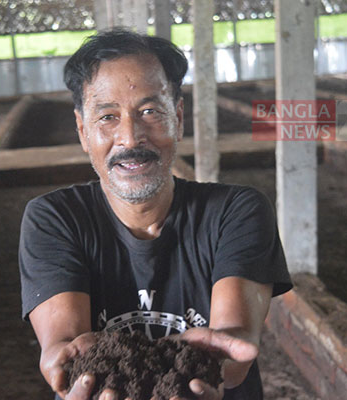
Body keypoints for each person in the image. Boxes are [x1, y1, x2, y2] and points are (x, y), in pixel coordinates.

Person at [19, 28, 292, 400]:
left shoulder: (236, 212)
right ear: (83, 131)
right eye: (108, 117)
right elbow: (65, 344)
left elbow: (233, 337)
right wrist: (62, 358)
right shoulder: (55, 219)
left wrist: (220, 356)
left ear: (178, 118)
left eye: (149, 111)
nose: (130, 138)